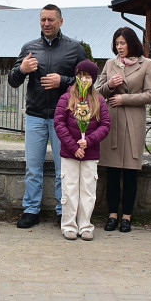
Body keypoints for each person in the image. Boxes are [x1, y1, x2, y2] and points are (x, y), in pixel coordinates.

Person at [8, 5, 87, 229]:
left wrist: (62, 81)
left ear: (61, 21)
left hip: (64, 117)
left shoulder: (75, 48)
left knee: (65, 169)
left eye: (51, 19)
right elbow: (13, 82)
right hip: (35, 116)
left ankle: (64, 211)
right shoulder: (29, 48)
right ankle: (31, 210)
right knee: (33, 167)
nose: (46, 23)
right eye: (43, 19)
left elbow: (87, 81)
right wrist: (22, 69)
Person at [95, 27, 151, 233]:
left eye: (122, 43)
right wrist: (111, 86)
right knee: (112, 170)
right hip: (113, 122)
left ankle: (127, 217)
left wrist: (126, 98)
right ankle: (112, 215)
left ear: (132, 43)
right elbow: (97, 92)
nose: (119, 47)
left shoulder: (146, 64)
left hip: (133, 121)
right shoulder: (110, 64)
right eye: (117, 43)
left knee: (131, 171)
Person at [55, 60, 111, 240]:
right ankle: (69, 224)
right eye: (81, 76)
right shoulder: (66, 98)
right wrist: (73, 146)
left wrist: (90, 141)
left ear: (93, 79)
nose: (84, 80)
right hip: (70, 154)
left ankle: (85, 225)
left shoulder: (99, 100)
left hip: (90, 153)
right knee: (70, 188)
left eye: (88, 77)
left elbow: (105, 125)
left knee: (87, 190)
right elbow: (59, 124)